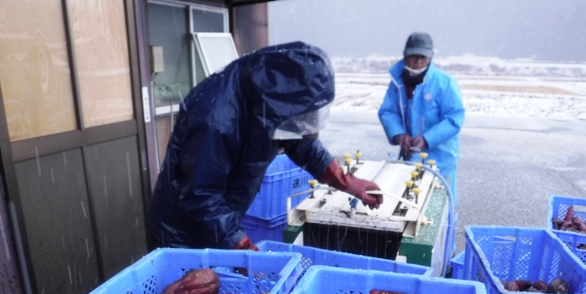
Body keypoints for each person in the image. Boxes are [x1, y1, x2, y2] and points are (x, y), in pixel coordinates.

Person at [148, 42, 383, 250]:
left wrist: (345, 180)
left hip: (219, 223)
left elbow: (299, 140)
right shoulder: (214, 119)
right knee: (190, 292)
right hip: (182, 233)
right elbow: (202, 195)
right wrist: (239, 245)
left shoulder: (270, 100)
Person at [378, 32, 465, 204]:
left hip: (441, 158)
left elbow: (454, 118)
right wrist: (400, 134)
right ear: (405, 56)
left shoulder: (445, 82)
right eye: (413, 56)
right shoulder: (397, 82)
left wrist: (427, 139)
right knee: (411, 202)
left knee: (439, 206)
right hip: (410, 156)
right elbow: (388, 112)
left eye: (423, 56)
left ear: (430, 56)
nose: (418, 61)